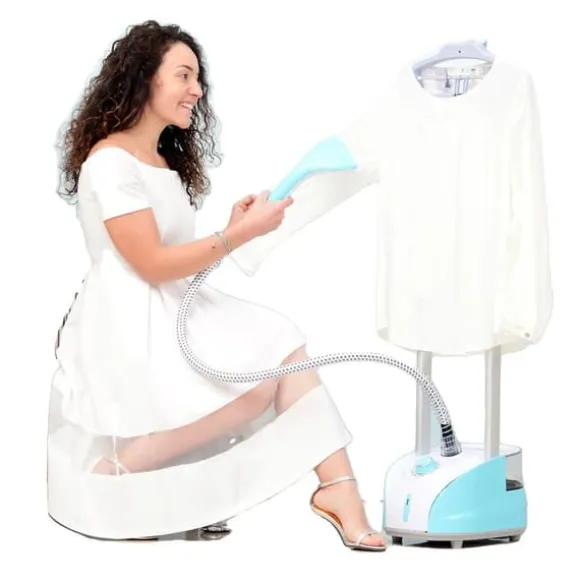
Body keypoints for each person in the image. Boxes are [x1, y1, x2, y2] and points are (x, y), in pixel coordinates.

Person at [47, 19, 386, 552]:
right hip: (131, 320)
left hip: (171, 304)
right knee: (259, 378)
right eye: (183, 75)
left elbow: (172, 255)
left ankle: (338, 488)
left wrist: (232, 227)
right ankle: (113, 476)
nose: (197, 90)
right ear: (144, 79)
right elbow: (151, 263)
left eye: (198, 78)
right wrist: (237, 234)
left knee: (280, 348)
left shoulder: (159, 160)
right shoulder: (110, 163)